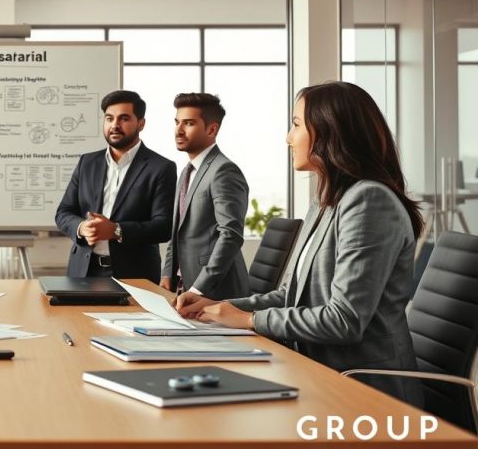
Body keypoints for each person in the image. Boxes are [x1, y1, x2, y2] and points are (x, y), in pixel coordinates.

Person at [177, 81, 424, 407]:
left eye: (295, 125)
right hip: (316, 370)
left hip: (362, 389)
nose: (288, 138)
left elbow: (344, 320)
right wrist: (220, 309)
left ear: (328, 131)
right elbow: (289, 296)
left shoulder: (369, 201)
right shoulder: (325, 201)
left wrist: (248, 320)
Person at [55, 90, 176, 281]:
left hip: (135, 276)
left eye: (124, 118)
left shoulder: (161, 167)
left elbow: (163, 226)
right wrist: (82, 227)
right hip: (83, 272)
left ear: (141, 123)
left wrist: (115, 230)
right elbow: (64, 212)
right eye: (109, 118)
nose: (114, 125)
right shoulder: (87, 162)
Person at [160, 93, 250, 300]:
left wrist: (198, 289)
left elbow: (231, 235)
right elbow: (178, 231)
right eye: (177, 122)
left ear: (211, 129)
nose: (179, 130)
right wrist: (167, 274)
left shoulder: (224, 171)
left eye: (189, 123)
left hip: (216, 292)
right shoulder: (186, 172)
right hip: (184, 287)